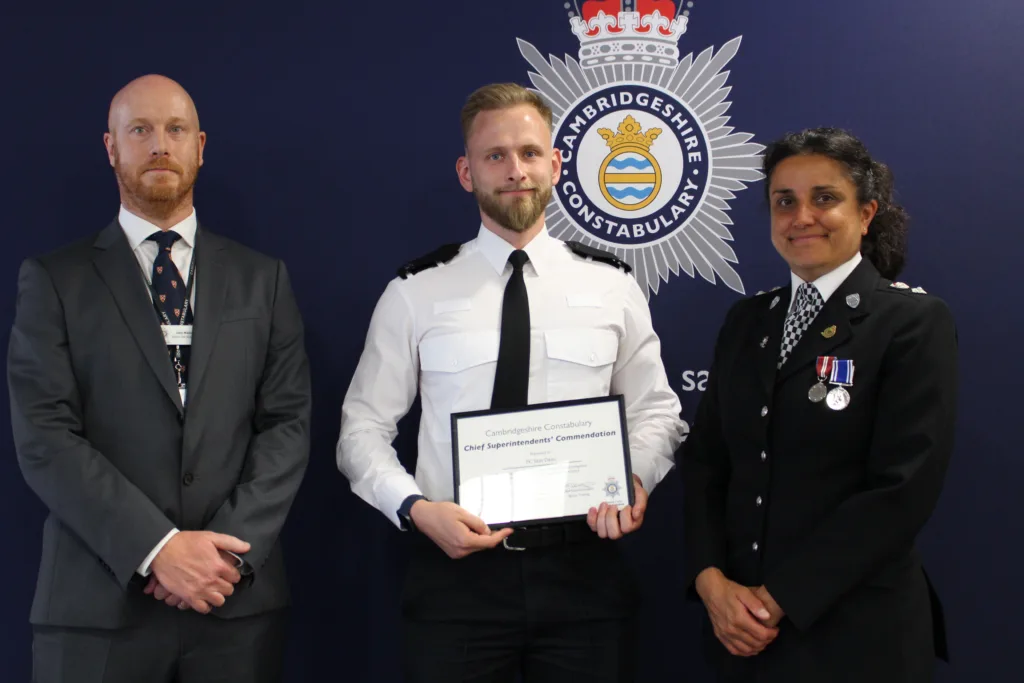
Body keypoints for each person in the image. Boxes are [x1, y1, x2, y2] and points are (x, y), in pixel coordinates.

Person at [337, 82, 684, 682]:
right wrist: (416, 509)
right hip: (455, 577)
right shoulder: (415, 292)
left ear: (553, 165)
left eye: (528, 153)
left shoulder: (612, 286)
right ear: (466, 173)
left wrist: (633, 479)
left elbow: (658, 413)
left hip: (584, 573)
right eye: (494, 156)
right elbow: (361, 431)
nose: (514, 170)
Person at [7, 74, 311, 683]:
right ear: (110, 147)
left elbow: (287, 423)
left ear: (201, 144)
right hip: (97, 610)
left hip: (234, 605)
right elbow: (45, 435)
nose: (158, 145)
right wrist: (158, 549)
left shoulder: (264, 279)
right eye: (139, 130)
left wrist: (220, 552)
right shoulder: (54, 280)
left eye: (174, 130)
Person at [681, 127, 957, 682]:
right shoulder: (747, 322)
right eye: (785, 201)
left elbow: (900, 490)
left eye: (824, 198)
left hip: (855, 635)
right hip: (742, 636)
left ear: (866, 212)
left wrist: (776, 598)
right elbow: (708, 462)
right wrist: (711, 582)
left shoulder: (911, 324)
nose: (801, 215)